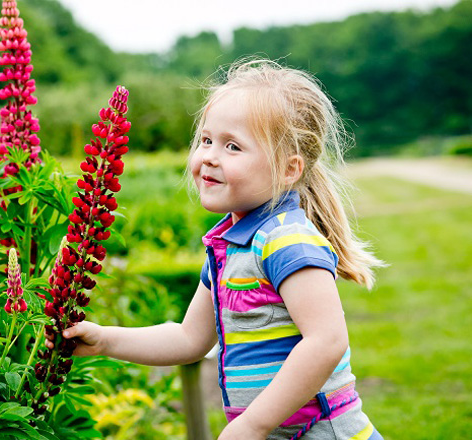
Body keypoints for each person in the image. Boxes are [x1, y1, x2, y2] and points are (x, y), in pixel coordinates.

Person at [45, 59, 385, 440]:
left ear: (289, 169)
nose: (209, 155)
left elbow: (327, 341)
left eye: (233, 146)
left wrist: (253, 424)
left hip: (322, 432)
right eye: (207, 140)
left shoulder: (287, 240)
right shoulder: (227, 246)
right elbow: (190, 339)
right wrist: (107, 339)